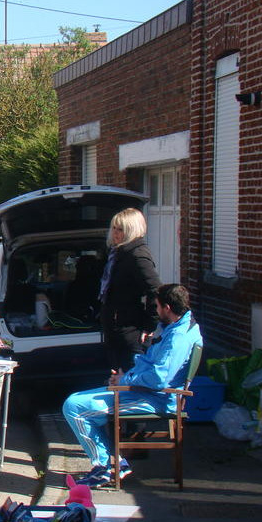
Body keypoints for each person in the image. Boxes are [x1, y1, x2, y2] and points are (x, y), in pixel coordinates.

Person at [62, 283, 202, 488]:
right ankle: (114, 463)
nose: (156, 311)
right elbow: (152, 366)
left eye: (157, 306)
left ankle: (104, 467)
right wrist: (126, 375)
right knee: (76, 400)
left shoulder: (178, 338)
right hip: (145, 391)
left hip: (157, 399)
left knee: (75, 408)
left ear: (167, 308)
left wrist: (125, 380)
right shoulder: (177, 327)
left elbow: (159, 378)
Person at [98, 208, 161, 374]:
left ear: (132, 230)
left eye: (121, 229)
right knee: (117, 378)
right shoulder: (117, 253)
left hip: (130, 331)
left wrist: (149, 326)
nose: (116, 233)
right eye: (114, 228)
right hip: (115, 328)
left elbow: (155, 290)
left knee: (131, 379)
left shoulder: (137, 255)